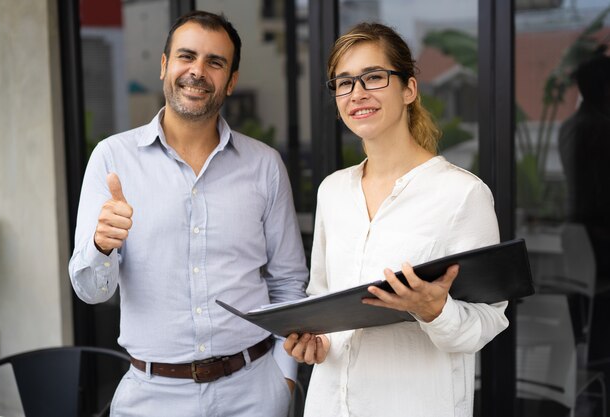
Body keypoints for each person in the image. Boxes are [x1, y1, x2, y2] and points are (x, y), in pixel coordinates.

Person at [68, 10, 308, 417]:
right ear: (165, 65)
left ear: (230, 81)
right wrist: (100, 246)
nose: (197, 71)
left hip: (253, 393)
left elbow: (288, 282)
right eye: (186, 56)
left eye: (215, 62)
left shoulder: (265, 164)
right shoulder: (112, 158)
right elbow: (92, 291)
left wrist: (284, 381)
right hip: (151, 398)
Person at [284, 22, 509, 417]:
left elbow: (489, 320)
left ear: (409, 89)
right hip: (329, 405)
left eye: (373, 77)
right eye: (344, 82)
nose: (357, 93)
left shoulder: (461, 194)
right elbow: (320, 297)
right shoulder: (332, 191)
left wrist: (435, 310)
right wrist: (314, 339)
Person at [558, 54, 610, 279]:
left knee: (583, 303)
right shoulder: (601, 129)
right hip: (599, 235)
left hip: (576, 232)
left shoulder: (568, 127)